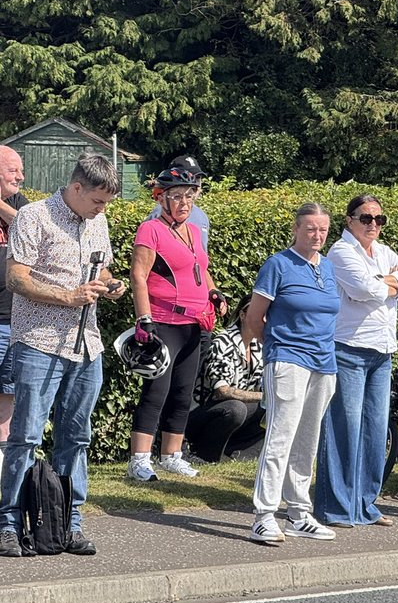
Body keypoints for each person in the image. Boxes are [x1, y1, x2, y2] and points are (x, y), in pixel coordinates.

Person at [0, 153, 127, 558]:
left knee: (77, 437)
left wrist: (111, 284)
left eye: (106, 203)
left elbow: (100, 269)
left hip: (87, 344)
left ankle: (68, 524)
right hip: (38, 341)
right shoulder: (33, 216)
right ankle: (7, 524)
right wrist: (68, 297)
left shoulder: (98, 222)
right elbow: (16, 276)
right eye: (98, 201)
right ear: (76, 188)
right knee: (25, 437)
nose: (102, 209)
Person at [315, 194, 398, 528]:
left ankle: (365, 504)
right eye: (365, 218)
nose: (373, 224)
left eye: (379, 219)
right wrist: (389, 283)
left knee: (375, 431)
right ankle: (336, 507)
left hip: (382, 352)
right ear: (349, 220)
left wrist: (386, 282)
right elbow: (363, 290)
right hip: (349, 349)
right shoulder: (341, 251)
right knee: (345, 428)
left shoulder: (384, 252)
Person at [244, 203, 340, 545]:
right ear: (297, 229)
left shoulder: (327, 267)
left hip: (324, 363)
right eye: (311, 229)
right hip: (287, 358)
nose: (317, 235)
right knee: (280, 436)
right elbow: (254, 318)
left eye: (323, 230)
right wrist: (269, 351)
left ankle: (299, 513)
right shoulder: (278, 265)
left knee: (307, 439)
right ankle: (264, 515)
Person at [127, 166, 226, 482]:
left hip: (194, 321)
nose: (185, 203)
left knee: (184, 391)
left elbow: (200, 268)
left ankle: (172, 455)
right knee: (157, 390)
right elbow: (138, 276)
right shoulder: (151, 229)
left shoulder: (194, 231)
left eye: (190, 196)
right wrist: (144, 319)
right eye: (177, 197)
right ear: (162, 198)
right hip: (163, 320)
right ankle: (139, 460)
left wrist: (213, 291)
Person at [185, 295, 265, 463]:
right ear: (242, 315)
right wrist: (264, 397)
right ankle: (203, 452)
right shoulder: (223, 341)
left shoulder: (260, 346)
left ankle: (235, 452)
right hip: (202, 413)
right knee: (236, 409)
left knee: (271, 407)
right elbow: (222, 391)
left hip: (233, 410)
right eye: (257, 313)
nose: (263, 319)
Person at [0, 145, 29, 472]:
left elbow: (24, 222)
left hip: (12, 319)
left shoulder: (21, 205)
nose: (20, 176)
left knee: (7, 392)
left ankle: (4, 460)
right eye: (13, 171)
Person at [146, 156, 211, 250]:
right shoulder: (158, 215)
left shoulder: (202, 216)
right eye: (190, 177)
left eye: (198, 178)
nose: (196, 184)